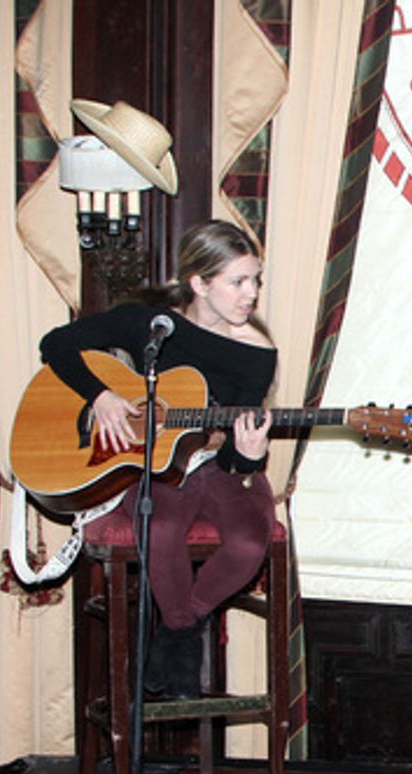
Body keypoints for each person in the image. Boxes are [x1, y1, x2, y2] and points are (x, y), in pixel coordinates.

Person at [40, 219, 276, 699]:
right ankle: (187, 640)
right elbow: (55, 344)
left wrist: (247, 458)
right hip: (150, 466)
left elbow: (233, 459)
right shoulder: (150, 325)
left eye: (255, 280)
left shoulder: (258, 353)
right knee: (161, 526)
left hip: (210, 466)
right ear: (199, 283)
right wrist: (101, 395)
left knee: (249, 545)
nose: (250, 293)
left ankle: (175, 630)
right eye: (238, 281)